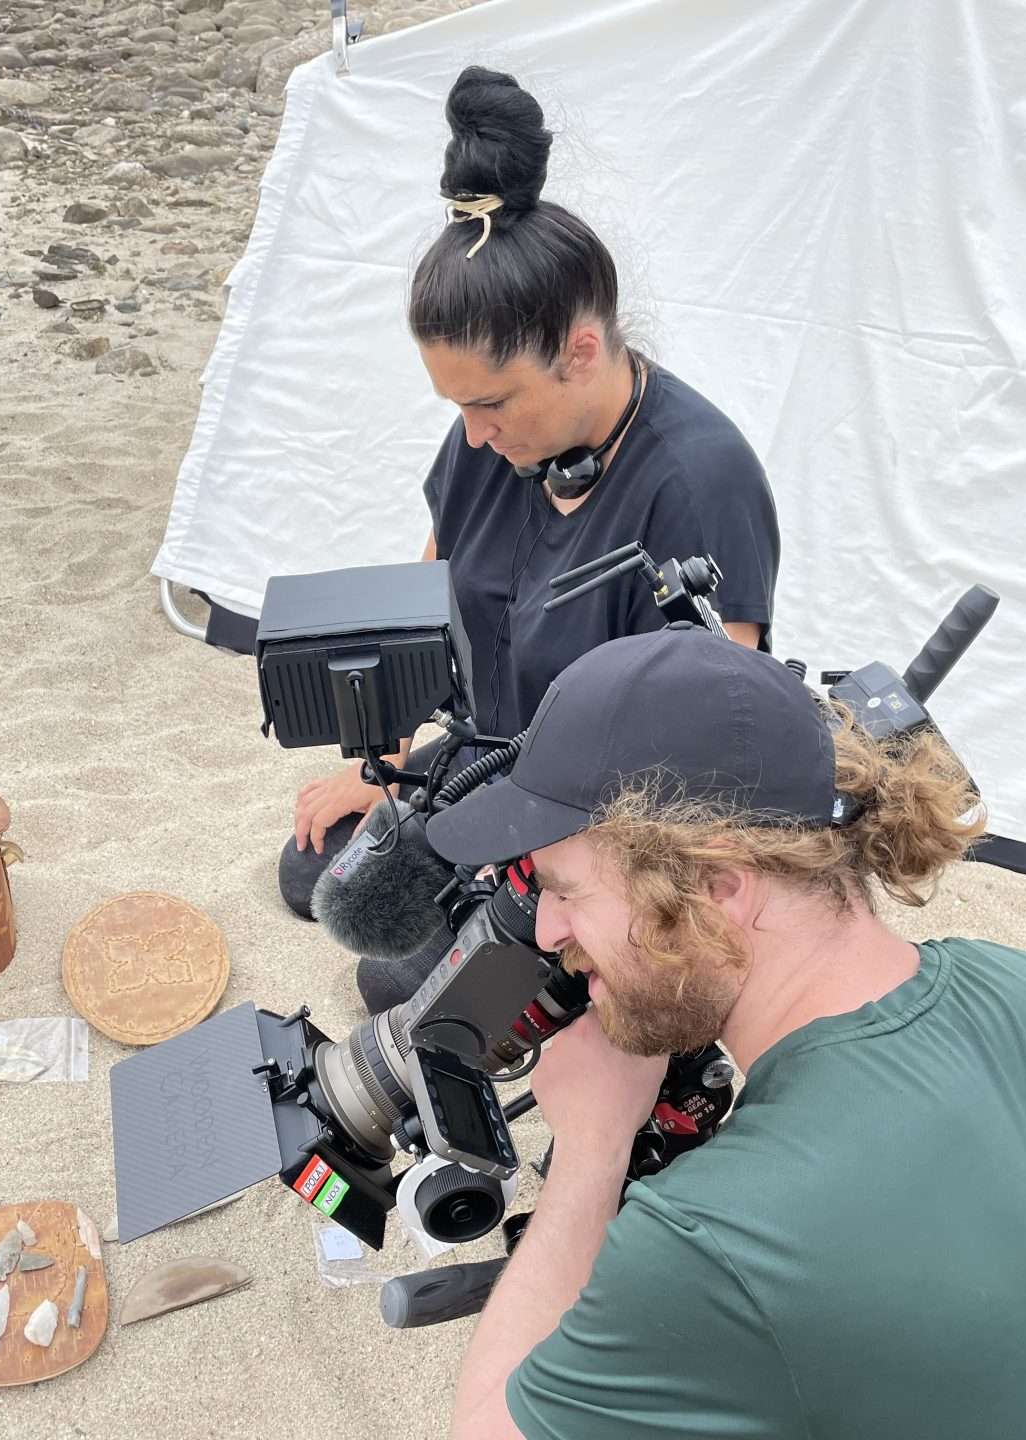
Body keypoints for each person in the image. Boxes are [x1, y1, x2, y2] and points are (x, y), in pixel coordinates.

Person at [422, 625, 1026, 1439]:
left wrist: (590, 1155)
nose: (546, 932)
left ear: (716, 889)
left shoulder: (715, 1234)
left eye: (564, 889)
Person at [280, 66, 781, 1015]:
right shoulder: (488, 440)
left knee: (393, 977)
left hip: (598, 818)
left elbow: (706, 747)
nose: (474, 434)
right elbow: (426, 597)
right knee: (312, 875)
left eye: (491, 402)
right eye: (457, 407)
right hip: (488, 762)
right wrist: (377, 764)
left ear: (581, 350)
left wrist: (538, 865)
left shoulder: (698, 481)